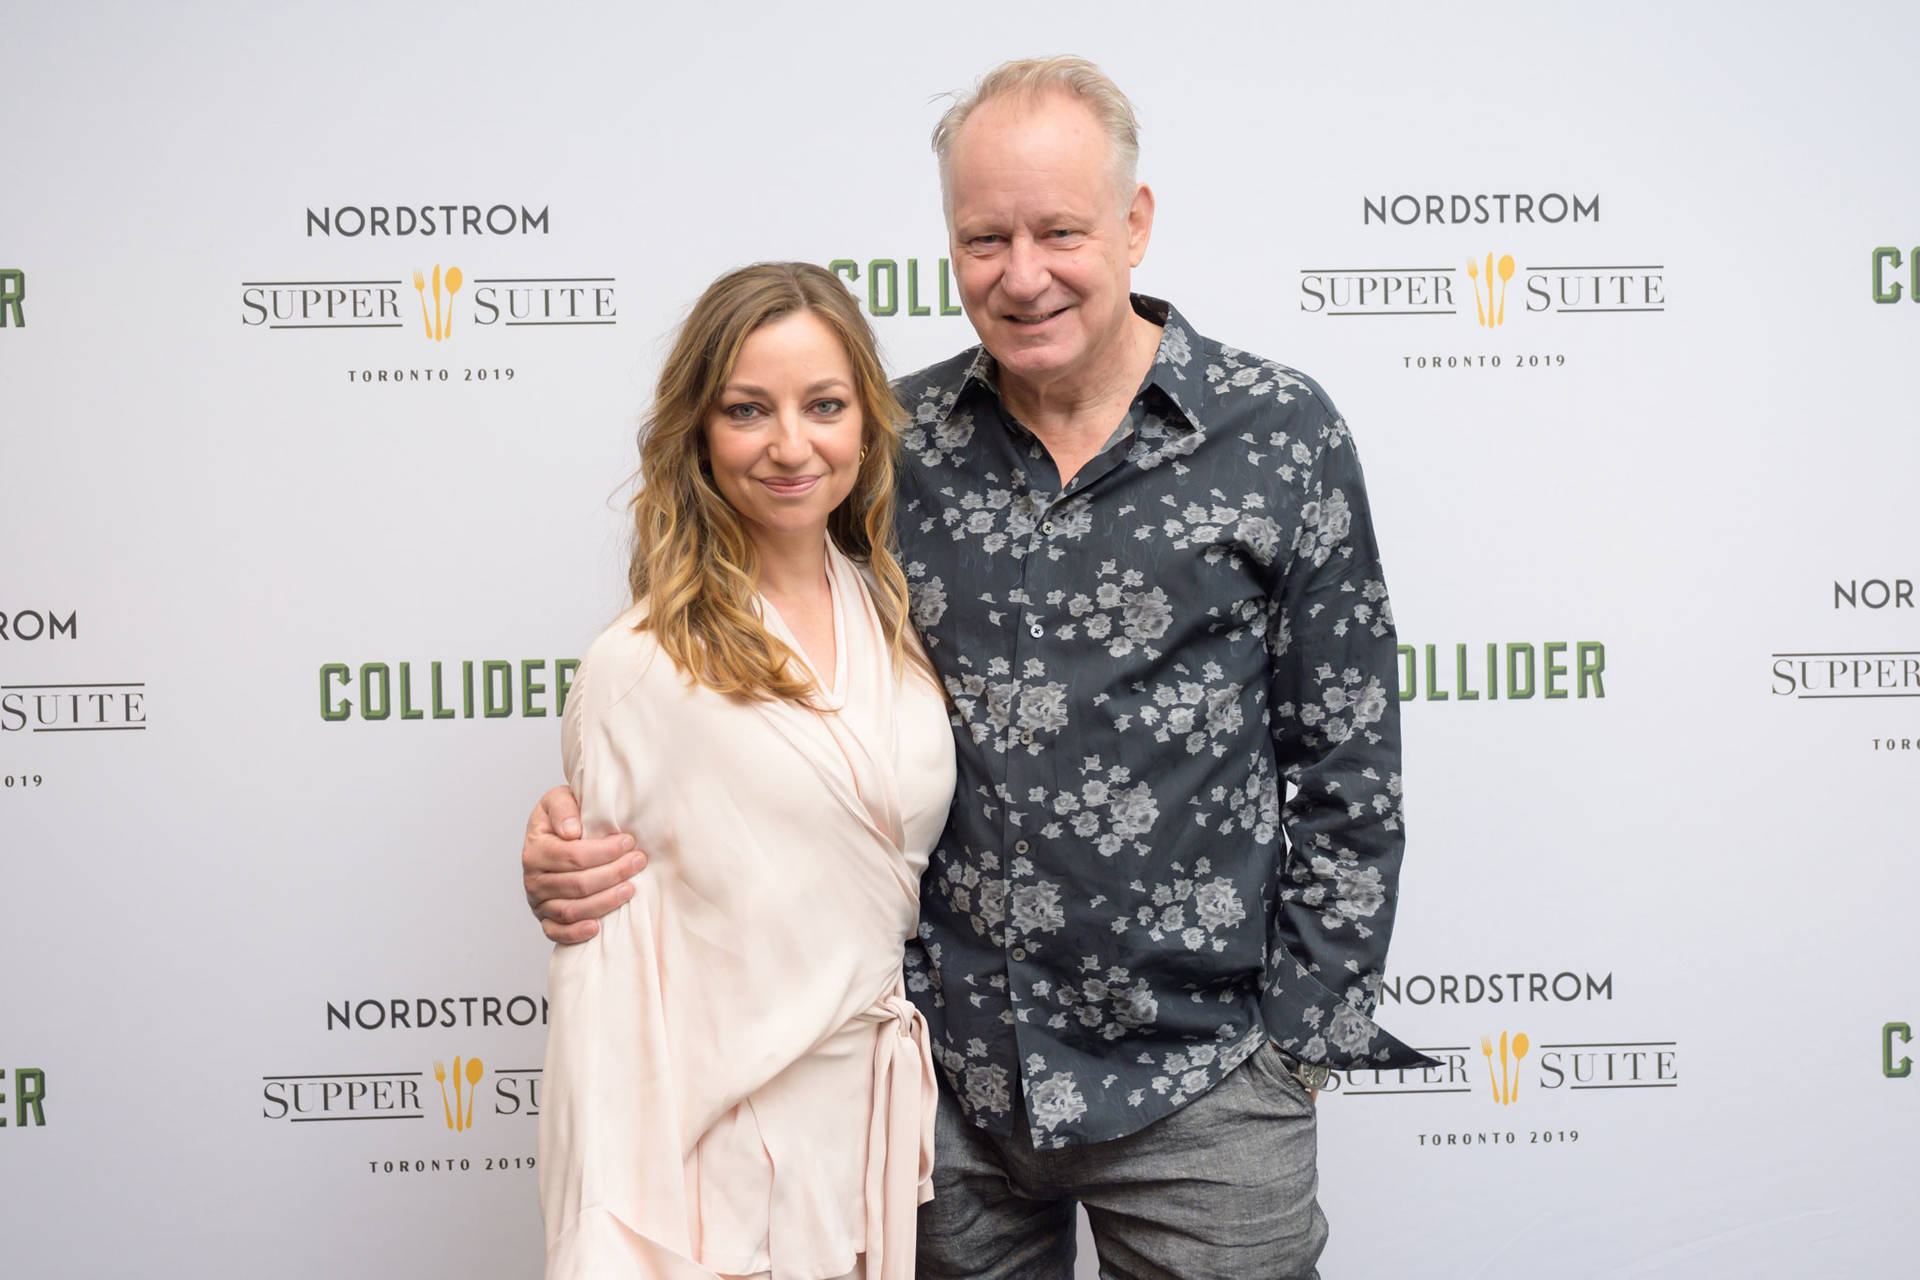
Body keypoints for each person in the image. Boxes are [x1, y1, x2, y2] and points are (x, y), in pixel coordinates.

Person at [526, 58, 1431, 1279]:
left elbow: (1351, 763)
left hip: (1205, 1075)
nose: (1023, 273)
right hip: (939, 1093)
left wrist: (1294, 1047)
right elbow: (750, 681)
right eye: (984, 236)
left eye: (1060, 230)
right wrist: (576, 843)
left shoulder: (1280, 434)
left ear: (1135, 223)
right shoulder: (890, 443)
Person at [537, 261, 955, 1280]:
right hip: (716, 1176)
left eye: (823, 405)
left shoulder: (891, 616)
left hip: (870, 1154)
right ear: (699, 431)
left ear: (866, 420)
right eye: (746, 410)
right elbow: (607, 979)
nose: (789, 445)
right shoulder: (639, 666)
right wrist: (613, 1237)